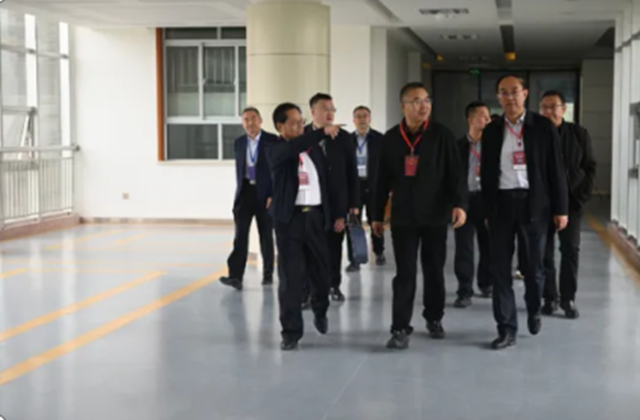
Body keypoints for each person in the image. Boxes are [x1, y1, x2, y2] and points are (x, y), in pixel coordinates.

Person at [372, 81, 467, 350]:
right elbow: (380, 180)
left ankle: (434, 317)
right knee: (405, 273)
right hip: (403, 216)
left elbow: (456, 174)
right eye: (416, 101)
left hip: (435, 215)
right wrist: (376, 215)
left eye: (427, 100)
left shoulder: (442, 135)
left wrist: (460, 204)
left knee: (434, 269)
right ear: (403, 106)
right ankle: (400, 327)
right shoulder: (391, 139)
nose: (423, 106)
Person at [480, 75, 568, 350]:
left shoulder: (542, 127)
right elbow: (486, 172)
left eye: (514, 91)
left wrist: (561, 209)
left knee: (533, 267)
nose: (509, 97)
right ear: (498, 97)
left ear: (525, 94)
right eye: (503, 92)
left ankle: (533, 308)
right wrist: (486, 208)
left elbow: (556, 170)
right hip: (501, 204)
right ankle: (506, 328)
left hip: (534, 204)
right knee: (499, 269)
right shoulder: (492, 130)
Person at [265, 102, 342, 350]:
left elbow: (328, 183)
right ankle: (291, 332)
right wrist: (320, 132)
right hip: (290, 221)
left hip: (316, 218)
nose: (300, 126)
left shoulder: (313, 151)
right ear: (280, 126)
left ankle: (320, 310)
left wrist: (336, 214)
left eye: (302, 122)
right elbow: (292, 148)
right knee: (291, 278)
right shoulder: (275, 149)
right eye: (295, 123)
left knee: (321, 272)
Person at [539, 90, 596, 319]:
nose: (549, 111)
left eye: (553, 106)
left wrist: (581, 197)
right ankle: (549, 297)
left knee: (570, 249)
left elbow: (589, 167)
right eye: (544, 107)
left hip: (572, 202)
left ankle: (568, 299)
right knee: (544, 252)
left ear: (564, 109)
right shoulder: (535, 135)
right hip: (543, 203)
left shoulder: (578, 134)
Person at [301, 93, 359, 303]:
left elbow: (351, 173)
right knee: (309, 249)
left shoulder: (343, 137)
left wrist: (353, 204)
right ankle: (309, 290)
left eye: (332, 109)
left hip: (336, 203)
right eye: (325, 109)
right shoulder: (303, 136)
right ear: (313, 111)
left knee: (334, 247)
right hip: (311, 205)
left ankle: (334, 285)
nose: (330, 113)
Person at [219, 107, 276, 290]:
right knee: (240, 236)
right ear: (242, 123)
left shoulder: (272, 141)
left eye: (253, 118)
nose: (250, 123)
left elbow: (277, 170)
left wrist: (272, 194)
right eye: (246, 119)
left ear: (260, 120)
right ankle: (235, 276)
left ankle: (268, 274)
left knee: (266, 235)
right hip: (245, 193)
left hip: (265, 194)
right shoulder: (239, 143)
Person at [453, 101, 492, 308]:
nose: (487, 119)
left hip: (486, 201)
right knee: (464, 247)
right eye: (483, 115)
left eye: (488, 116)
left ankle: (486, 283)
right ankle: (464, 290)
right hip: (464, 202)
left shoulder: (494, 146)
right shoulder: (457, 146)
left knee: (489, 245)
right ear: (470, 120)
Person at [345, 105, 386, 272]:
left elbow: (386, 164)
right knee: (353, 222)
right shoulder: (347, 140)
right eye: (358, 116)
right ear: (353, 120)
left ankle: (379, 252)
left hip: (374, 184)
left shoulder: (380, 139)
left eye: (365, 116)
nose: (362, 119)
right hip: (354, 186)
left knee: (375, 218)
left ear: (370, 119)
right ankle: (354, 259)